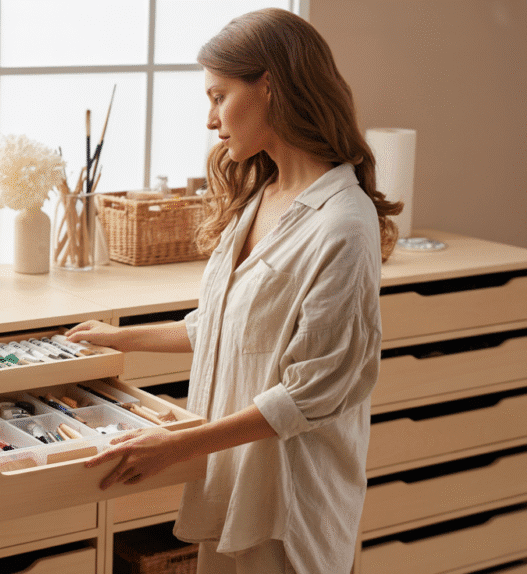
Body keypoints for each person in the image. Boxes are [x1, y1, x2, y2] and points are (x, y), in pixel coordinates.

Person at [66, 8, 402, 574]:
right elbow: (223, 327)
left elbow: (312, 391)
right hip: (230, 482)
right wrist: (119, 339)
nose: (210, 118)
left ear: (269, 84)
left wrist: (179, 445)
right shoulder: (261, 195)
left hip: (290, 505)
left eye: (218, 96)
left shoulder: (342, 223)